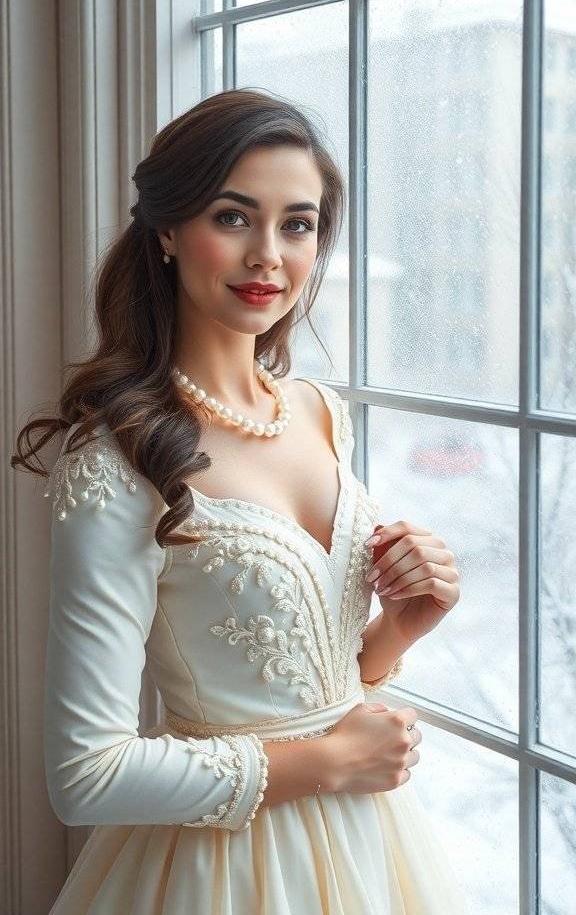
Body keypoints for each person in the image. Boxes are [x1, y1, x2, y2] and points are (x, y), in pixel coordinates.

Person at [12, 88, 468, 912]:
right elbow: (86, 774)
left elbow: (295, 686)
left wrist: (400, 626)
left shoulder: (320, 412)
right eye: (232, 217)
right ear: (166, 230)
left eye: (297, 225)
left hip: (368, 842)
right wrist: (328, 764)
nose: (268, 255)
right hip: (225, 871)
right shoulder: (119, 458)